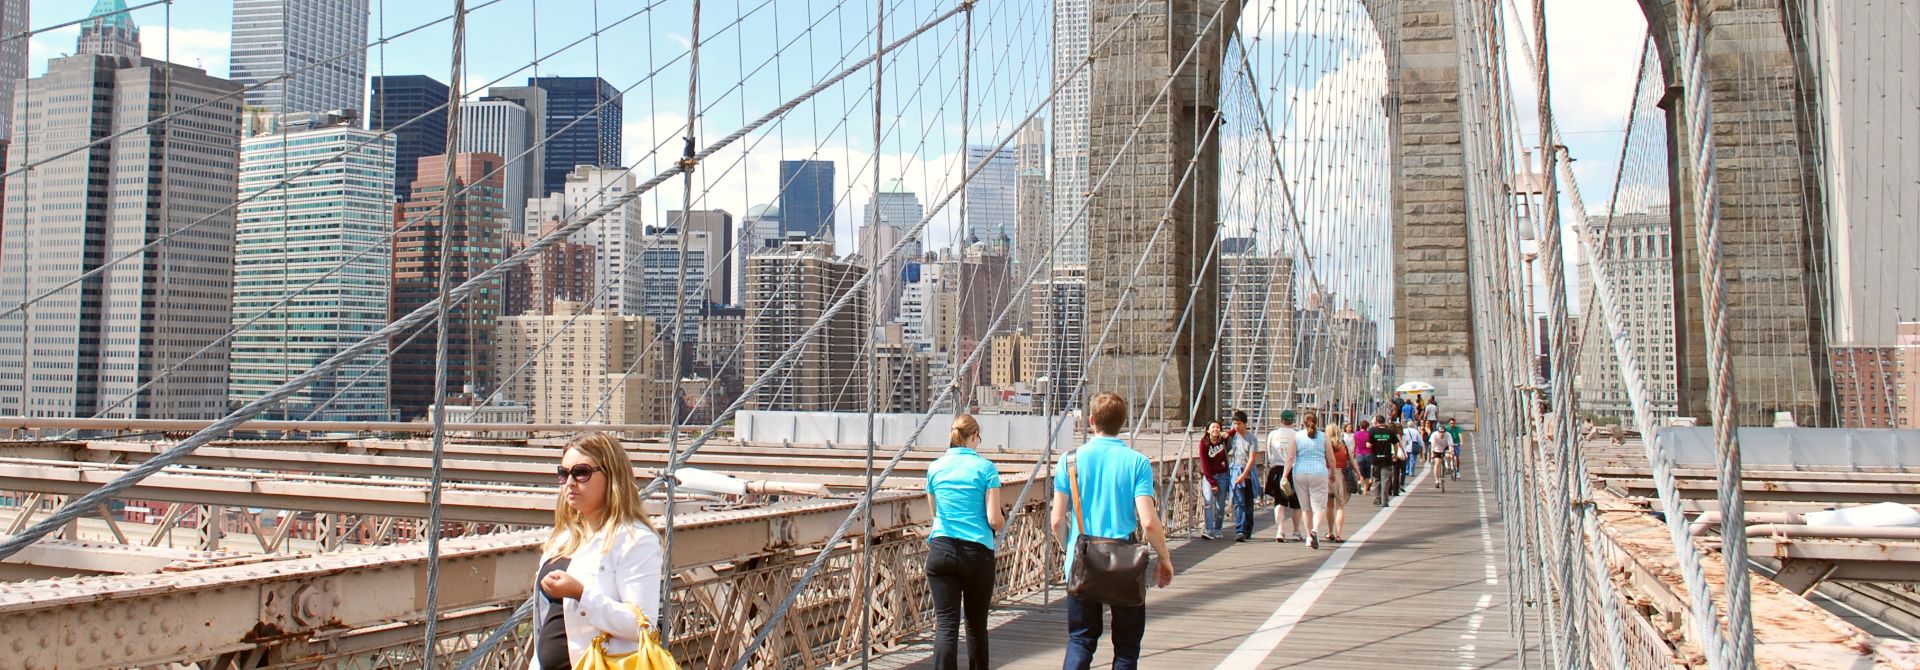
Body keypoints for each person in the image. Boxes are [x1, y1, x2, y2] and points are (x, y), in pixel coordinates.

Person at [1052, 392, 1176, 670]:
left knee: (1081, 640)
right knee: (1127, 648)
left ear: (1092, 420)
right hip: (1125, 563)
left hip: (1083, 560)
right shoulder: (1137, 462)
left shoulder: (1068, 461)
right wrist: (1164, 558)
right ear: (1123, 422)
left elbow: (1057, 520)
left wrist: (1070, 551)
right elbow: (1147, 521)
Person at [534, 433, 664, 670]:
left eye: (581, 472)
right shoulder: (561, 540)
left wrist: (581, 594)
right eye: (563, 474)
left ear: (611, 475)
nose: (570, 482)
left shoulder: (635, 540)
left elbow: (642, 626)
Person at [925, 415, 1005, 670]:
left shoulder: (934, 467)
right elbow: (994, 520)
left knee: (946, 624)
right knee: (975, 624)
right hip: (976, 553)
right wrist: (1002, 518)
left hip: (942, 550)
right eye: (978, 437)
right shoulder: (986, 468)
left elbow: (936, 513)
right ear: (973, 436)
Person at [1286, 412, 1331, 549]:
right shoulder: (1323, 437)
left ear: (1303, 423)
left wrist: (1284, 475)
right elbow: (1331, 459)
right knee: (1319, 506)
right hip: (1319, 472)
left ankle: (1308, 537)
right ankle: (1315, 530)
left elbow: (1290, 458)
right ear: (1316, 422)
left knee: (1305, 507)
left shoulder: (1297, 436)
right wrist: (1333, 473)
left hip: (1300, 472)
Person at [1265, 410, 1304, 542]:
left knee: (1279, 502)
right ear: (1293, 420)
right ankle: (1296, 531)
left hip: (1277, 469)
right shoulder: (1298, 435)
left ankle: (1280, 530)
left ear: (1281, 420)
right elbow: (1299, 454)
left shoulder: (1273, 434)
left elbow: (1269, 453)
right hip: (1294, 470)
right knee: (1296, 504)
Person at [1227, 410, 1262, 542]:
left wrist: (1244, 475)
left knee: (1248, 503)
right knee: (1239, 503)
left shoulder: (1251, 438)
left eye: (1239, 423)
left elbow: (1252, 458)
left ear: (1245, 423)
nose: (1236, 426)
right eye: (1235, 423)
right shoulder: (1234, 437)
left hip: (1248, 474)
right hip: (1236, 471)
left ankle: (1248, 529)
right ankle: (1240, 530)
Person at [1196, 420, 1231, 540]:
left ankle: (1218, 528)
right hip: (1209, 476)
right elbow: (1204, 464)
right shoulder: (1204, 444)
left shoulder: (1223, 441)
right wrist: (1212, 482)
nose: (1216, 429)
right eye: (1213, 427)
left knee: (1220, 506)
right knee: (1208, 503)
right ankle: (1209, 529)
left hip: (1223, 475)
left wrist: (1227, 433)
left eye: (1218, 427)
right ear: (1208, 430)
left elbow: (1236, 429)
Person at [1326, 421, 1353, 541]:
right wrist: (1359, 474)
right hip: (1340, 475)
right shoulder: (1344, 446)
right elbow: (1352, 461)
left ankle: (1330, 531)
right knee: (1340, 506)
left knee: (1329, 505)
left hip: (1327, 475)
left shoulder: (1325, 445)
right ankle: (1339, 534)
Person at [1368, 418, 1400, 505]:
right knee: (1386, 480)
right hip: (1387, 459)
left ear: (1377, 422)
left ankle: (1377, 499)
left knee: (1377, 479)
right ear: (1384, 422)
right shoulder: (1390, 431)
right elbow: (1396, 444)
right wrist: (1395, 454)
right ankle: (1385, 501)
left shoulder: (1372, 431)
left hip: (1376, 459)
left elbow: (1368, 445)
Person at [1428, 423, 1456, 489]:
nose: (1441, 434)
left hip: (1445, 447)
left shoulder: (1448, 435)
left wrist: (1451, 453)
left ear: (1445, 432)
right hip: (1437, 448)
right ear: (1438, 431)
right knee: (1437, 463)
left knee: (1448, 455)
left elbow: (1450, 445)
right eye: (1440, 432)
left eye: (1443, 432)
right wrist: (1432, 453)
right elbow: (1433, 444)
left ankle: (1448, 465)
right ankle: (1437, 481)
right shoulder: (1434, 434)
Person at [1352, 419, 1374, 495]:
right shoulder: (1369, 434)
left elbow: (1355, 445)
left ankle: (1359, 482)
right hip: (1368, 453)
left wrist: (1353, 453)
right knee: (1367, 473)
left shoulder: (1356, 434)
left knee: (1360, 472)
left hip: (1359, 454)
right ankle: (1366, 491)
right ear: (1367, 427)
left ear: (1360, 426)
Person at [1401, 420, 1426, 485]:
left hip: (1405, 447)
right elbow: (1420, 440)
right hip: (1413, 446)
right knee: (1412, 460)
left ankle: (1406, 470)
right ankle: (1411, 472)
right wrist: (1421, 446)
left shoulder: (1404, 430)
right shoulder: (1415, 431)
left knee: (1406, 459)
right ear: (1413, 425)